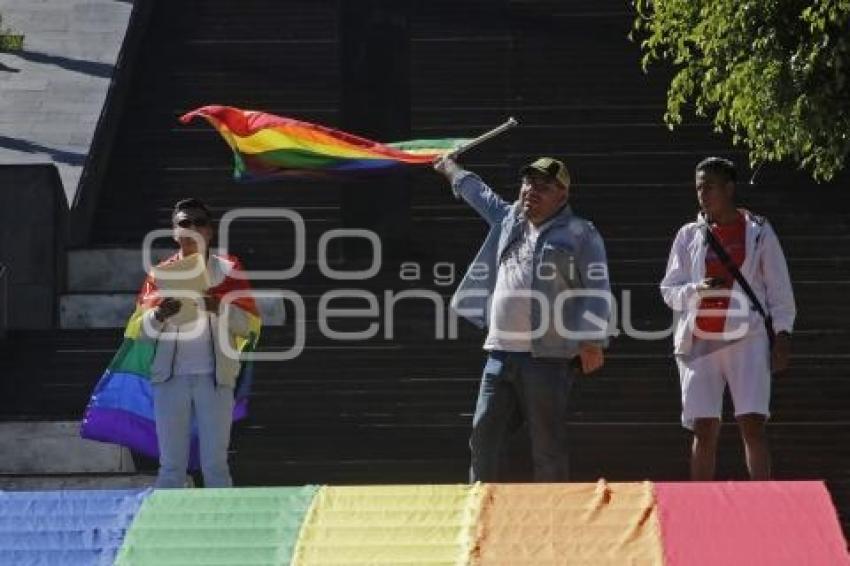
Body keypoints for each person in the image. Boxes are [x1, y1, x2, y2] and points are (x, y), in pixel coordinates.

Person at [434, 156, 611, 482]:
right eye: (528, 183)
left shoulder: (580, 233)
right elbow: (480, 194)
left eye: (543, 187)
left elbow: (598, 287)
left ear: (562, 196)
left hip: (547, 358)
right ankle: (480, 513)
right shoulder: (509, 219)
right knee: (483, 437)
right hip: (499, 353)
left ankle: (553, 518)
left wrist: (592, 340)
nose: (531, 191)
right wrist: (451, 169)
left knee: (547, 447)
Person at [660, 157, 795, 480]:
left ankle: (762, 502)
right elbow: (668, 289)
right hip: (699, 341)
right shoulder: (688, 235)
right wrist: (696, 289)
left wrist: (783, 336)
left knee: (752, 422)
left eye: (709, 187)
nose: (702, 194)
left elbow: (779, 288)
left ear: (729, 188)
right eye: (698, 188)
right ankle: (700, 507)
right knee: (704, 427)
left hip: (747, 337)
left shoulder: (758, 231)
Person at [140, 198, 260, 488]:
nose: (192, 228)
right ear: (174, 232)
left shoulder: (229, 270)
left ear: (210, 231)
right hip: (170, 380)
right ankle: (162, 532)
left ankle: (224, 530)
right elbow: (140, 332)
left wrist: (219, 307)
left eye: (199, 222)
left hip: (215, 379)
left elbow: (250, 327)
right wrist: (159, 315)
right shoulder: (159, 275)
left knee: (215, 465)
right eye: (185, 222)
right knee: (170, 467)